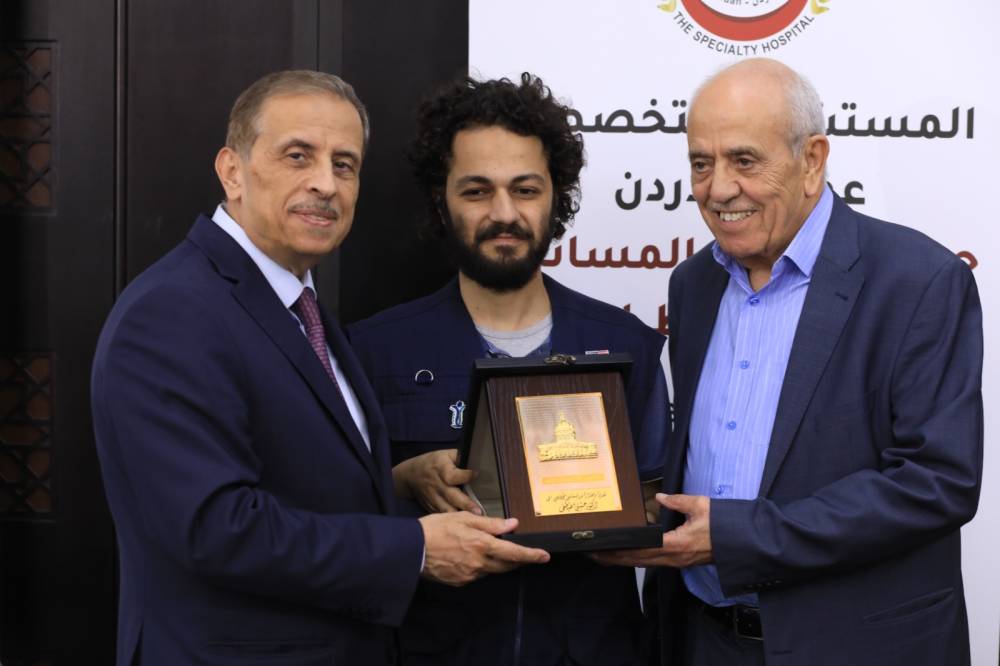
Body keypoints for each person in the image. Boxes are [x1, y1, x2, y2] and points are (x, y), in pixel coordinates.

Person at [90, 70, 550, 666]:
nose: (325, 184)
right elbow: (215, 528)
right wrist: (413, 549)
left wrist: (399, 481)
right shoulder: (173, 313)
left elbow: (290, 477)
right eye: (297, 156)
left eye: (344, 164)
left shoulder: (297, 304)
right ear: (232, 171)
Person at [595, 58, 984, 666]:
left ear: (812, 160)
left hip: (853, 646)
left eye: (744, 161)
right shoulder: (694, 284)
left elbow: (937, 482)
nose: (718, 189)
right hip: (702, 638)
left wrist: (736, 537)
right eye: (701, 163)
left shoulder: (919, 280)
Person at [347, 73, 670, 666]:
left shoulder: (627, 345)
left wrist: (623, 518)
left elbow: (657, 507)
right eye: (477, 191)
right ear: (441, 201)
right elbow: (338, 524)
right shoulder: (373, 350)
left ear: (556, 197)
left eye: (525, 190)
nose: (504, 213)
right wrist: (403, 480)